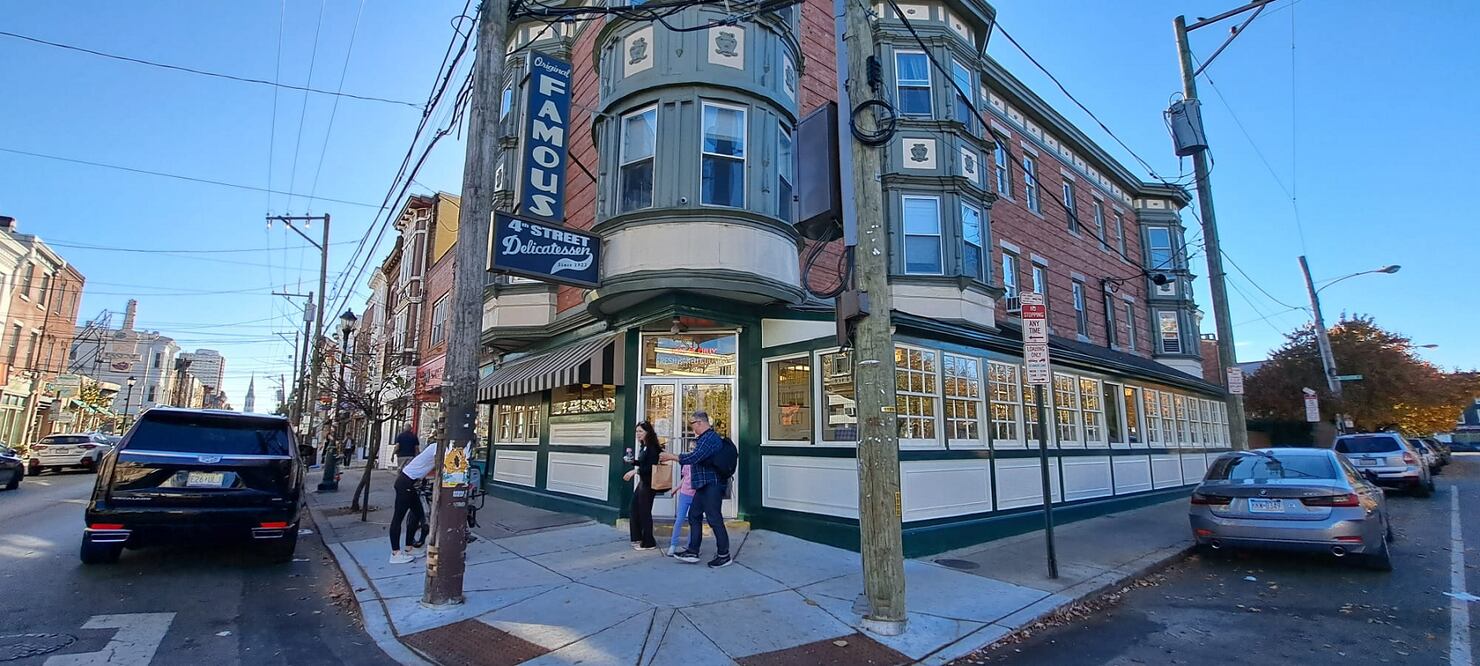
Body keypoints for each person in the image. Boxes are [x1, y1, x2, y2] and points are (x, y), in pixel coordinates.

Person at [660, 411, 732, 568]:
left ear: (700, 422)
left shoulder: (710, 439)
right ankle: (693, 551)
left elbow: (695, 457)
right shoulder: (704, 439)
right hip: (702, 484)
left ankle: (724, 555)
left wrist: (671, 456)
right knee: (694, 515)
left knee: (714, 518)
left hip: (712, 484)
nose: (691, 428)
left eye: (692, 424)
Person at [388, 442, 437, 564]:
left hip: (410, 483)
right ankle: (395, 553)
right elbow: (442, 466)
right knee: (398, 517)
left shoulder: (435, 447)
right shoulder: (437, 448)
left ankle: (409, 547)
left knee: (418, 514)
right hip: (406, 483)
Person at [623, 422, 662, 551]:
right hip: (643, 482)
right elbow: (643, 463)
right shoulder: (643, 447)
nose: (637, 434)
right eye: (637, 431)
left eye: (640, 431)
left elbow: (650, 467)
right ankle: (637, 538)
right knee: (634, 508)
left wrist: (635, 471)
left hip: (650, 484)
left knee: (644, 512)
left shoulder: (652, 447)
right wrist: (633, 461)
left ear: (648, 432)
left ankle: (649, 542)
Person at [667, 462, 695, 556]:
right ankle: (673, 545)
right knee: (679, 520)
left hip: (696, 495)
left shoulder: (702, 462)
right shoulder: (687, 463)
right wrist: (676, 488)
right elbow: (685, 477)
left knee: (693, 521)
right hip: (685, 494)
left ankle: (691, 546)